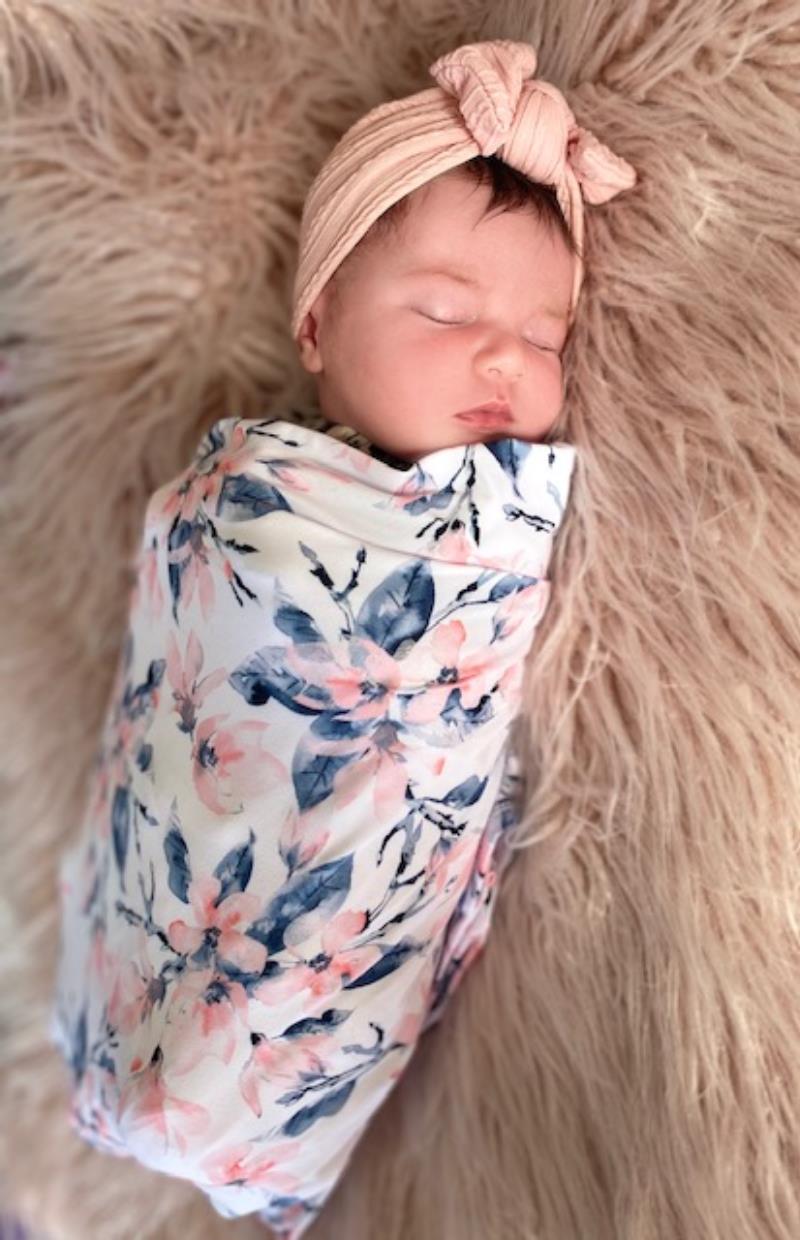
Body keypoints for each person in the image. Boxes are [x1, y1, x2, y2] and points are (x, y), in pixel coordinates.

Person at [49, 39, 636, 1240]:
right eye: (445, 309)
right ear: (315, 322)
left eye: (543, 335)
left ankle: (225, 1112)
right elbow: (175, 703)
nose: (505, 356)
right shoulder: (247, 508)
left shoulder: (478, 526)